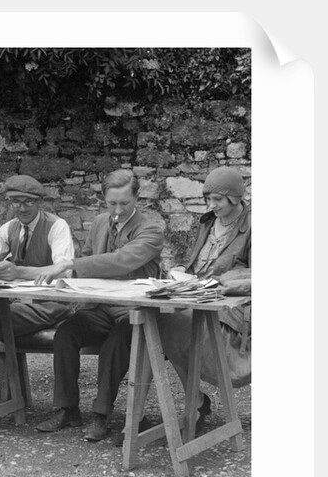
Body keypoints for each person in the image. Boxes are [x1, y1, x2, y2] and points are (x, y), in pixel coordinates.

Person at [33, 169, 164, 442]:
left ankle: (101, 415)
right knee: (67, 333)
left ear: (137, 197)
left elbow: (122, 261)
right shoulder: (100, 223)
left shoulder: (151, 230)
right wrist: (69, 282)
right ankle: (67, 409)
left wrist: (71, 265)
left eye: (124, 204)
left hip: (136, 313)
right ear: (103, 199)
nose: (117, 210)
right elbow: (86, 259)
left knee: (116, 343)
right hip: (101, 308)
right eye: (111, 203)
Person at [0, 174, 75, 389]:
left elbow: (64, 272)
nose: (22, 208)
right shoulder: (9, 228)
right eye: (16, 202)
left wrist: (18, 271)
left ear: (39, 202)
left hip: (51, 305)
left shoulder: (57, 227)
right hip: (20, 305)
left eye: (28, 202)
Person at [157, 166, 251, 429]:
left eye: (218, 199)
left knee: (172, 324)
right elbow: (196, 266)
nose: (212, 205)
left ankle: (196, 405)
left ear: (234, 197)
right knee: (156, 321)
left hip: (233, 307)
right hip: (198, 296)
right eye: (208, 199)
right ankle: (195, 400)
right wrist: (180, 274)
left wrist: (221, 284)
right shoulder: (207, 222)